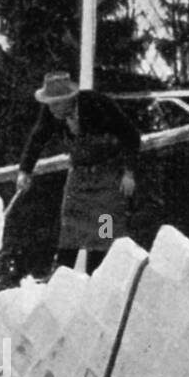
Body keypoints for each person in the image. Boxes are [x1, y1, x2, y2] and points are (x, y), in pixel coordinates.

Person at [15, 71, 141, 274]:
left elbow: (131, 135)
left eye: (56, 103)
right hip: (80, 174)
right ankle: (62, 276)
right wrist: (25, 171)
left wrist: (129, 173)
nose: (51, 107)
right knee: (71, 225)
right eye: (49, 103)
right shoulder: (51, 111)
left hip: (108, 173)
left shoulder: (97, 104)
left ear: (69, 99)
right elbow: (38, 137)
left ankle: (98, 274)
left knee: (104, 227)